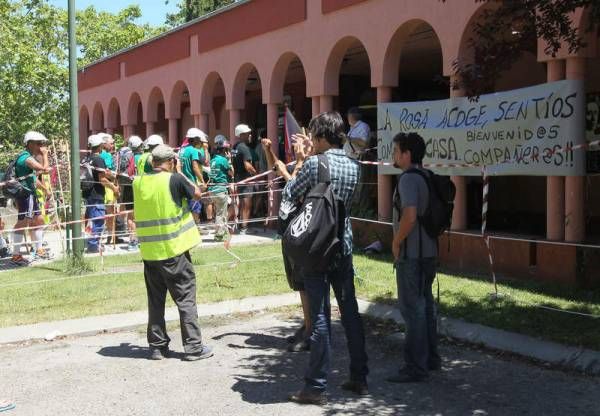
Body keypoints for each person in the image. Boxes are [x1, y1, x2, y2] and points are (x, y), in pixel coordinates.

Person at [281, 112, 369, 405]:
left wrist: (301, 162)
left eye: (314, 138)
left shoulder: (315, 164)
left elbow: (289, 194)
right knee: (350, 312)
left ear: (319, 138)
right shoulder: (355, 167)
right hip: (342, 246)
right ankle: (359, 376)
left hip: (316, 249)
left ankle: (316, 387)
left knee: (319, 317)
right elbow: (353, 202)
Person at [133, 144, 213, 361]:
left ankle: (157, 347)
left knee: (156, 302)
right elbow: (196, 194)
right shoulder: (174, 178)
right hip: (174, 251)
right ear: (171, 162)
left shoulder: (138, 182)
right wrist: (178, 171)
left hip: (150, 253)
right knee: (186, 298)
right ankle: (194, 347)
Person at [388, 132, 441, 383]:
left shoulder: (408, 179)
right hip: (430, 253)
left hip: (412, 255)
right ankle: (431, 359)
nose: (394, 155)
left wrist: (396, 242)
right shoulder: (427, 176)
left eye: (396, 150)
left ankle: (415, 367)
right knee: (426, 307)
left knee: (413, 310)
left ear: (407, 154)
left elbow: (409, 216)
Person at [261, 137, 311, 353]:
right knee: (299, 284)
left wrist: (299, 162)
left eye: (300, 145)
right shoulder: (297, 166)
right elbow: (277, 166)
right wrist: (269, 150)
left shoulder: (309, 167)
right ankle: (307, 325)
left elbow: (295, 190)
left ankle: (311, 331)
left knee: (305, 284)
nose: (295, 148)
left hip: (301, 234)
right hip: (290, 234)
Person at [11, 131, 53, 266]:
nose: (41, 147)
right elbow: (44, 169)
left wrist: (44, 189)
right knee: (23, 222)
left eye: (42, 144)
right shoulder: (26, 158)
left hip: (31, 194)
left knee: (39, 220)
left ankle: (39, 250)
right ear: (30, 144)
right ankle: (16, 255)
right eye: (38, 144)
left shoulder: (28, 157)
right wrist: (45, 155)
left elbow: (33, 178)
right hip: (26, 195)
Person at [83, 134, 119, 253]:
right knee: (98, 219)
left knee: (91, 219)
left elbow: (99, 173)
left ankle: (93, 243)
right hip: (96, 193)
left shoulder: (86, 158)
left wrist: (110, 174)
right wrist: (113, 187)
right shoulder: (99, 159)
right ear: (99, 146)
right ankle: (93, 245)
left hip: (87, 193)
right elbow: (102, 179)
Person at [179, 128, 209, 223]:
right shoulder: (193, 150)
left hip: (182, 181)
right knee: (195, 206)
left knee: (186, 206)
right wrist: (203, 182)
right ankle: (195, 227)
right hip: (191, 182)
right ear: (195, 139)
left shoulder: (182, 150)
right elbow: (195, 167)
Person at [120, 135, 144, 251]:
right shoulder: (143, 157)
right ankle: (140, 239)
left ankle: (132, 240)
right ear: (140, 145)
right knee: (140, 214)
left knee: (130, 214)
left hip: (128, 187)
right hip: (139, 187)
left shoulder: (126, 156)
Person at [207, 135, 233, 241]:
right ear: (224, 151)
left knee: (219, 212)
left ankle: (222, 231)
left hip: (213, 190)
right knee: (220, 213)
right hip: (220, 189)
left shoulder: (213, 160)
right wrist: (229, 160)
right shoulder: (223, 160)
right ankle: (219, 235)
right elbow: (231, 173)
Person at [232, 124, 256, 234]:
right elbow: (248, 166)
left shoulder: (235, 147)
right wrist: (257, 174)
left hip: (238, 178)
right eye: (247, 134)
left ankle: (241, 225)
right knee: (247, 204)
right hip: (246, 179)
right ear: (241, 135)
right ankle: (244, 228)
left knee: (241, 203)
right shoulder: (244, 148)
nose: (250, 135)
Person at [98, 133, 120, 245]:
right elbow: (107, 172)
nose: (113, 145)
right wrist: (116, 176)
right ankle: (111, 236)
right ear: (104, 143)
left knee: (105, 211)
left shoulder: (97, 154)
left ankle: (109, 234)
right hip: (108, 186)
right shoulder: (106, 156)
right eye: (111, 143)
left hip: (100, 187)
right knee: (110, 211)